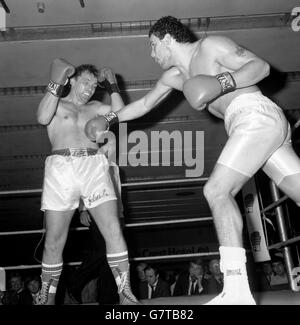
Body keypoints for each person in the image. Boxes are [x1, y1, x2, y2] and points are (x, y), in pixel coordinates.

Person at [86, 16, 300, 304]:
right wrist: (108, 119)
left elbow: (260, 67)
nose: (152, 54)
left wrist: (222, 82)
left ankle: (236, 289)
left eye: (152, 46)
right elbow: (144, 105)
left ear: (166, 39)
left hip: (255, 114)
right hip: (253, 126)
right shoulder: (174, 77)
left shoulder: (210, 46)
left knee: (216, 190)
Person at [35, 59, 139, 305]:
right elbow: (41, 117)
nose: (90, 88)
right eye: (86, 82)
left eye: (94, 85)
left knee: (113, 230)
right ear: (71, 80)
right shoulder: (57, 104)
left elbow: (122, 113)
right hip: (61, 167)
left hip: (94, 165)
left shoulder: (96, 107)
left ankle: (125, 293)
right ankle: (46, 297)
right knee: (54, 240)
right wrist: (55, 81)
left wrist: (112, 86)